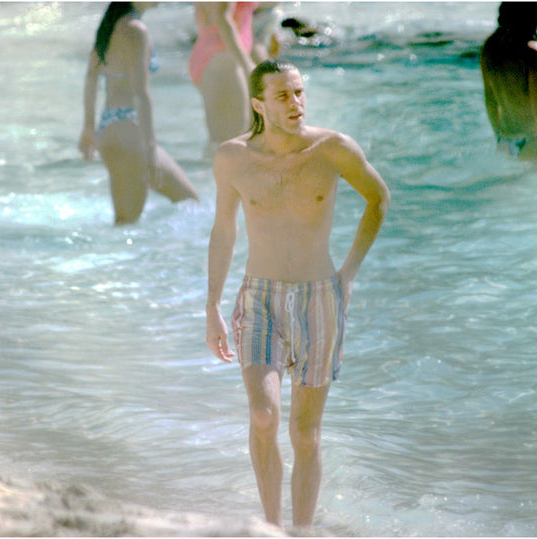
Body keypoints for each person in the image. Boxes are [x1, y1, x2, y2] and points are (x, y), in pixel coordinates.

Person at [205, 59, 389, 529]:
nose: (296, 104)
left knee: (305, 433)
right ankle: (270, 526)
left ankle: (302, 530)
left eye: (300, 93)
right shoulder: (233, 158)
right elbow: (224, 231)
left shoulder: (333, 150)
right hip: (259, 298)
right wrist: (212, 307)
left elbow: (378, 198)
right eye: (283, 96)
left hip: (320, 299)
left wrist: (347, 276)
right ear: (258, 105)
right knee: (264, 416)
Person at [79, 2, 198, 225]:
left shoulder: (112, 23)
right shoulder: (135, 29)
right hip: (129, 130)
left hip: (111, 127)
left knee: (126, 223)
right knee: (188, 203)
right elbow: (141, 94)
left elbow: (91, 76)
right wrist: (150, 149)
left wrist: (89, 126)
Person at [480, 2, 537, 160]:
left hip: (505, 140)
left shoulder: (489, 47)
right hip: (533, 142)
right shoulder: (533, 54)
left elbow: (490, 100)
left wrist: (499, 138)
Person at [189, 2, 258, 156]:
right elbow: (221, 18)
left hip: (222, 57)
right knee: (231, 146)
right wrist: (247, 65)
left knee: (233, 144)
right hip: (222, 60)